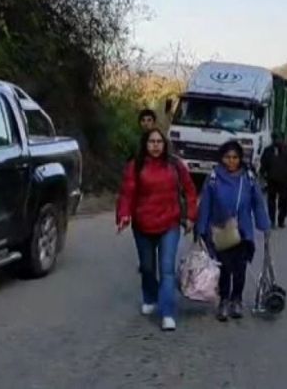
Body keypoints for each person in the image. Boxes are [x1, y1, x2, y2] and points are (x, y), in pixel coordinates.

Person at [116, 128, 198, 331]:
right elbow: (127, 193)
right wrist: (124, 215)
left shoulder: (175, 165)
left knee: (167, 269)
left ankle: (167, 312)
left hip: (170, 224)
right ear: (145, 144)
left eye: (159, 142)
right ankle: (150, 296)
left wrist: (190, 216)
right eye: (151, 142)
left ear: (165, 144)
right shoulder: (135, 166)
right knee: (147, 267)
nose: (155, 146)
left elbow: (190, 190)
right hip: (142, 224)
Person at [196, 141, 272, 321]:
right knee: (223, 268)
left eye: (235, 157)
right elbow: (205, 204)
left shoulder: (248, 179)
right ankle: (223, 300)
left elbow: (258, 203)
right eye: (227, 157)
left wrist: (264, 225)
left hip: (243, 231)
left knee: (240, 268)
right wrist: (201, 229)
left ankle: (236, 299)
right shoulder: (214, 178)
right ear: (221, 158)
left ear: (240, 159)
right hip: (220, 232)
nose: (231, 161)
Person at [261, 133, 287, 228]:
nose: (277, 141)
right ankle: (271, 220)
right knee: (271, 200)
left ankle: (281, 219)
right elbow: (263, 163)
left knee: (283, 200)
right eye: (275, 139)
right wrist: (263, 174)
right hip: (272, 179)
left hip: (284, 179)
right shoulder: (268, 150)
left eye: (279, 139)